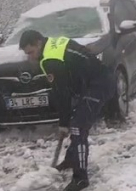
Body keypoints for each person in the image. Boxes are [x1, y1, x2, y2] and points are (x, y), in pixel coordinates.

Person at [19, 30, 116, 191]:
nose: (30, 57)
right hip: (91, 83)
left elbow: (61, 92)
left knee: (78, 127)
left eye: (31, 52)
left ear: (38, 43)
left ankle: (80, 178)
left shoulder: (50, 59)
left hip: (100, 84)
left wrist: (63, 122)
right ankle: (72, 159)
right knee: (76, 122)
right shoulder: (53, 43)